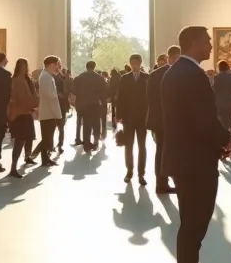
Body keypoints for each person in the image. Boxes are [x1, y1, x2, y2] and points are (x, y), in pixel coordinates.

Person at [163, 26, 231, 263]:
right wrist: (227, 139)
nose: (211, 45)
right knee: (195, 226)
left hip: (184, 159)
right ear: (194, 43)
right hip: (195, 163)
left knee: (190, 225)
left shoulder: (174, 72)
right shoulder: (193, 74)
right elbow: (203, 120)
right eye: (207, 41)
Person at [116, 54, 149, 182]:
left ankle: (141, 173)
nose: (134, 66)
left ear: (140, 63)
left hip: (142, 117)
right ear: (130, 64)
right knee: (129, 145)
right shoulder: (124, 78)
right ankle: (129, 171)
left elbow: (150, 97)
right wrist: (118, 115)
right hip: (128, 117)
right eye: (132, 63)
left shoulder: (147, 78)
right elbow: (120, 97)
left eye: (136, 63)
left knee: (142, 146)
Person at [148, 49, 176, 193]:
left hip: (158, 119)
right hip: (173, 120)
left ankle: (161, 183)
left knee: (161, 151)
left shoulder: (154, 75)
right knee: (172, 151)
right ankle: (167, 181)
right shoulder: (178, 73)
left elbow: (149, 99)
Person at [7, 58, 39, 178]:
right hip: (20, 113)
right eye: (22, 66)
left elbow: (30, 94)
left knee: (28, 137)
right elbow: (21, 96)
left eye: (25, 65)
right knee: (20, 141)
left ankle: (27, 157)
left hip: (25, 113)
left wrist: (33, 106)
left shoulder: (26, 79)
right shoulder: (17, 80)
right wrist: (32, 106)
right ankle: (13, 167)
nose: (24, 68)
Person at [35, 56, 64, 166]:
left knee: (48, 137)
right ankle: (40, 156)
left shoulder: (47, 76)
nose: (58, 67)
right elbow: (49, 96)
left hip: (49, 112)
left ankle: (45, 158)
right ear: (51, 64)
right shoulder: (46, 77)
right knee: (47, 138)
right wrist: (57, 114)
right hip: (48, 112)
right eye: (57, 64)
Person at [73, 61, 109, 150]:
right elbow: (103, 93)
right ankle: (96, 142)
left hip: (83, 104)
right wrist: (104, 104)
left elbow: (74, 91)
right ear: (94, 67)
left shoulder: (79, 78)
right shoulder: (100, 78)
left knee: (86, 125)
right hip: (95, 104)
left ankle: (86, 144)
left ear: (86, 67)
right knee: (96, 124)